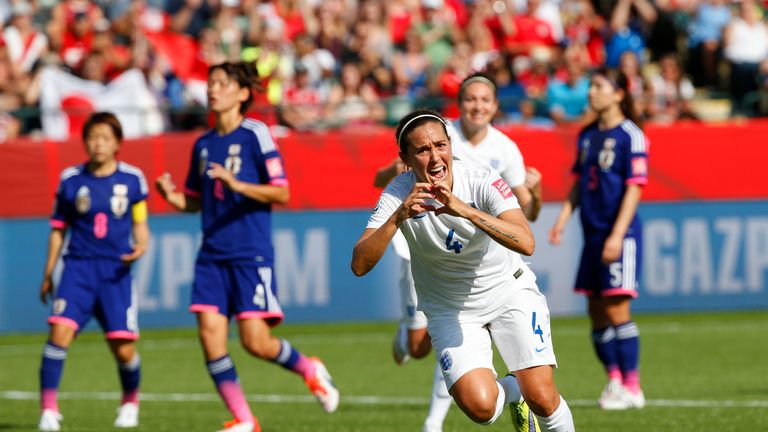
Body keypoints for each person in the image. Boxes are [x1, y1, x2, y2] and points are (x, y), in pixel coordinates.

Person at [354, 109, 575, 432]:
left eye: (441, 145)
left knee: (542, 395)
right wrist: (397, 218)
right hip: (450, 309)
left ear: (451, 146)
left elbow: (526, 242)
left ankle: (526, 390)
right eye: (422, 150)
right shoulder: (397, 195)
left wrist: (465, 210)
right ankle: (515, 390)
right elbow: (359, 264)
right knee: (481, 409)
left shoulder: (481, 179)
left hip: (508, 291)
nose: (435, 157)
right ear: (405, 158)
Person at [155, 61, 339, 432]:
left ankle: (308, 367)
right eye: (210, 83)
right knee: (210, 339)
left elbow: (282, 191)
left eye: (222, 83)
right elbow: (196, 201)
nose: (213, 90)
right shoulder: (203, 144)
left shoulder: (256, 134)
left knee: (256, 342)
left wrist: (238, 184)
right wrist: (172, 197)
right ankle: (244, 418)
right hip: (211, 255)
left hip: (249, 253)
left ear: (242, 94)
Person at [38, 112, 149, 431]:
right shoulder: (71, 180)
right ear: (85, 141)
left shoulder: (132, 180)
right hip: (78, 270)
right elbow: (59, 229)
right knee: (59, 333)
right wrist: (47, 273)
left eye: (105, 137)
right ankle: (48, 410)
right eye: (92, 137)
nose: (98, 143)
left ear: (117, 143)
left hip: (116, 273)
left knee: (123, 348)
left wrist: (140, 246)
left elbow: (141, 224)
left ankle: (130, 401)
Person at [548, 66, 648, 410]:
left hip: (619, 234)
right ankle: (614, 381)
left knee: (617, 307)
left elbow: (635, 187)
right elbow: (579, 181)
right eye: (591, 86)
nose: (592, 92)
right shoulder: (588, 135)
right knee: (595, 311)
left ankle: (633, 386)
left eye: (600, 86)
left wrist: (618, 234)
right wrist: (562, 218)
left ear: (619, 94)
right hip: (591, 234)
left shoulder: (630, 135)